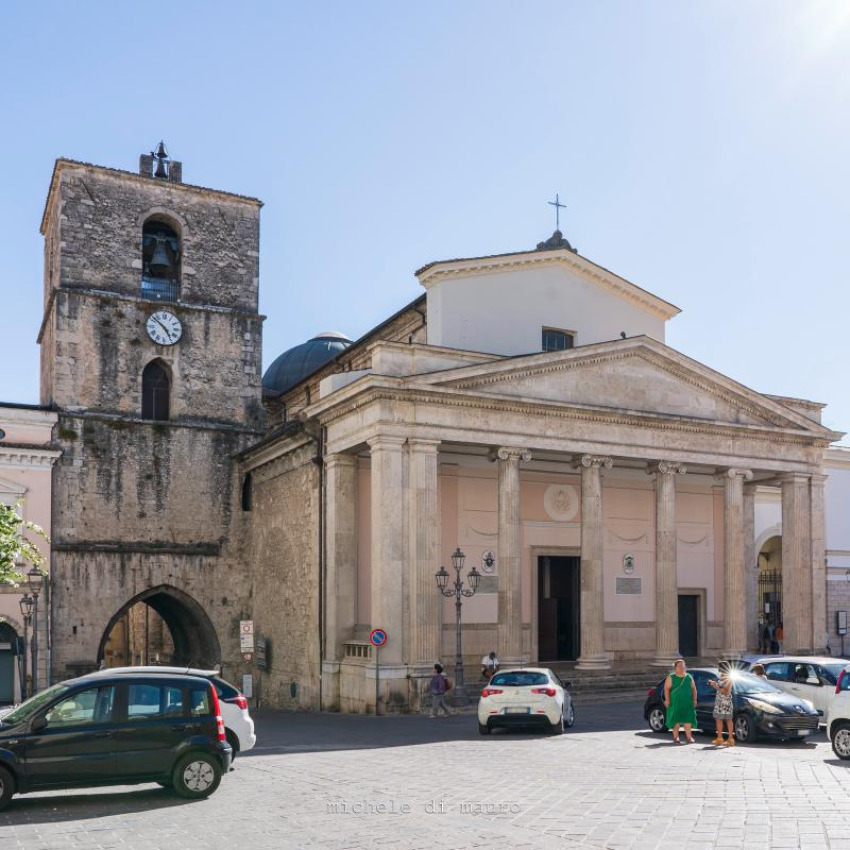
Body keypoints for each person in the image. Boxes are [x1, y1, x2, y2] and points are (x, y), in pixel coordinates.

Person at [664, 658, 697, 744]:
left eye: (683, 666)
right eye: (679, 666)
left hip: (687, 702)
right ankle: (676, 737)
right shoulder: (671, 677)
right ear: (675, 667)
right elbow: (667, 689)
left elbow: (693, 689)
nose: (682, 668)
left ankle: (689, 737)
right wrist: (667, 700)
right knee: (676, 720)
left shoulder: (688, 677)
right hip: (675, 702)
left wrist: (694, 700)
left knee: (688, 720)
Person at [709, 661, 735, 747]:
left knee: (723, 719)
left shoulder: (728, 678)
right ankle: (722, 738)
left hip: (724, 701)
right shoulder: (723, 677)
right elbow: (721, 688)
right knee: (724, 719)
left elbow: (725, 690)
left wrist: (714, 685)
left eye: (719, 667)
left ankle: (727, 739)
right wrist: (715, 683)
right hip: (722, 701)